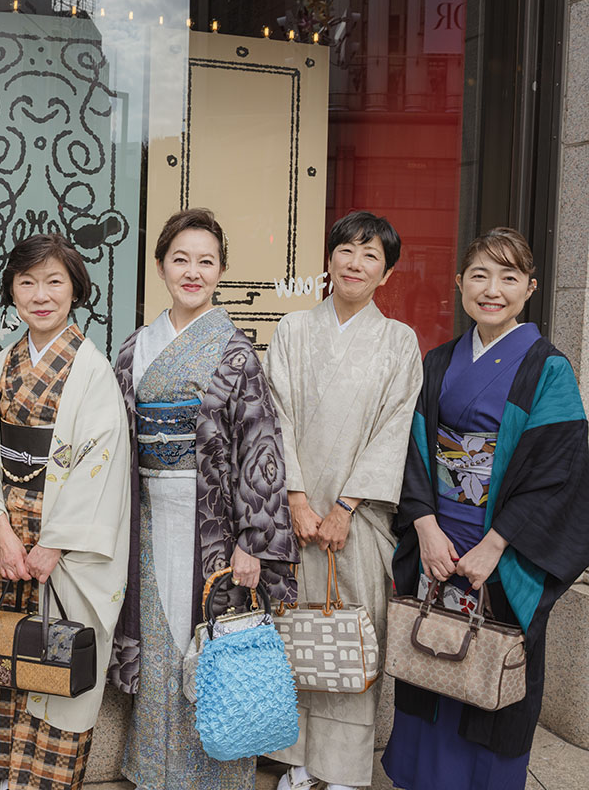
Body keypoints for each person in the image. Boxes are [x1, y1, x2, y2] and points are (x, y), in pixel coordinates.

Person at [382, 228, 589, 790]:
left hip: (504, 549)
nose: (492, 289)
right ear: (459, 283)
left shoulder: (549, 369)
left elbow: (556, 471)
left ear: (530, 288)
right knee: (429, 659)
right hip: (438, 542)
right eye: (479, 275)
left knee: (492, 674)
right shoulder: (438, 361)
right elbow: (411, 450)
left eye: (508, 277)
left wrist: (495, 546)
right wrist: (425, 526)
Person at [109, 209, 298, 790]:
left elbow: (260, 448)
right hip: (145, 516)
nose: (193, 272)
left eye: (206, 261)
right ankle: (155, 771)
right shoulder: (135, 348)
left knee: (212, 642)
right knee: (158, 640)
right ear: (161, 266)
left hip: (212, 524)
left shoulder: (236, 353)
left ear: (220, 270)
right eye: (181, 259)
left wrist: (253, 542)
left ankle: (213, 776)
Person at [262, 211, 423, 790]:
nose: (355, 263)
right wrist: (297, 499)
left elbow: (395, 428)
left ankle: (346, 771)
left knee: (352, 640)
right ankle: (299, 763)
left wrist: (345, 506)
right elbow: (275, 414)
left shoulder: (399, 342)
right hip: (296, 516)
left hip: (356, 522)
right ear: (328, 260)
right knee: (296, 638)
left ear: (387, 273)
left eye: (370, 255)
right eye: (346, 251)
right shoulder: (293, 330)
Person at [0, 233, 130, 790]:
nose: (40, 295)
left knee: (58, 667)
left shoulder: (93, 372)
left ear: (75, 289)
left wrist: (53, 544)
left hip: (60, 555)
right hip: (6, 550)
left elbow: (101, 466)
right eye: (27, 282)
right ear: (12, 292)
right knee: (2, 660)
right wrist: (0, 529)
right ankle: (0, 776)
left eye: (54, 282)